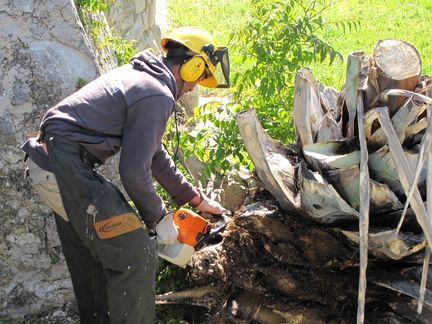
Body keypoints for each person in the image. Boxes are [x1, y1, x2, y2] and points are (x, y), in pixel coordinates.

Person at [22, 26, 231, 324]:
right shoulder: (156, 94)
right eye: (199, 76)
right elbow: (133, 172)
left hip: (52, 164)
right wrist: (159, 220)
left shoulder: (144, 81)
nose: (194, 87)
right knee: (138, 256)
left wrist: (195, 199)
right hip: (64, 165)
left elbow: (153, 154)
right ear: (193, 65)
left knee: (94, 260)